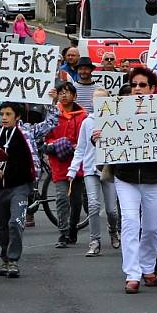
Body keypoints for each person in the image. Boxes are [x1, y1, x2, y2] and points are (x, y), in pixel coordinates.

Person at [105, 67, 157, 294]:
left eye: (142, 85)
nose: (137, 89)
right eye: (134, 84)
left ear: (152, 89)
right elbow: (105, 140)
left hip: (156, 179)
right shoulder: (117, 112)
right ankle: (132, 273)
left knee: (152, 227)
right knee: (129, 222)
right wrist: (100, 137)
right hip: (126, 178)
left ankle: (148, 267)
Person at [0, 99, 55, 278]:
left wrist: (51, 101)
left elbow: (52, 122)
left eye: (8, 114)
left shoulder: (28, 131)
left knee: (15, 222)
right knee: (1, 225)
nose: (4, 117)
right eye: (2, 114)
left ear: (17, 117)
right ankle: (4, 256)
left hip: (20, 187)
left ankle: (13, 259)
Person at [68, 87, 120, 257]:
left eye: (102, 100)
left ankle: (113, 230)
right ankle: (94, 241)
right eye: (96, 100)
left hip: (109, 169)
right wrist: (73, 169)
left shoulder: (116, 119)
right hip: (91, 168)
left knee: (112, 210)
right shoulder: (87, 122)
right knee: (93, 205)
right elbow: (81, 147)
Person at [45, 81, 87, 248]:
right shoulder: (53, 114)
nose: (64, 95)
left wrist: (77, 146)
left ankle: (73, 229)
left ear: (74, 95)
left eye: (68, 92)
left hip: (77, 164)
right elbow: (46, 136)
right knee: (62, 198)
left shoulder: (83, 116)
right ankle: (63, 233)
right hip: (59, 163)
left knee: (76, 201)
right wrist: (55, 145)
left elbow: (85, 139)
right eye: (61, 92)